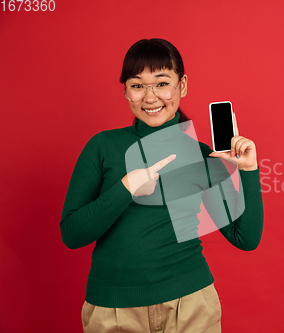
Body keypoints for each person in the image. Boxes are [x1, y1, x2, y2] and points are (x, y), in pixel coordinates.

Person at [60, 38, 264, 333]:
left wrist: (248, 170)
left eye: (162, 83)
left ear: (182, 86)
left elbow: (245, 238)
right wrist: (125, 189)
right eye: (137, 85)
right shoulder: (103, 146)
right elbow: (72, 233)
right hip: (114, 310)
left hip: (191, 307)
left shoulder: (203, 155)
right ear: (126, 92)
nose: (151, 97)